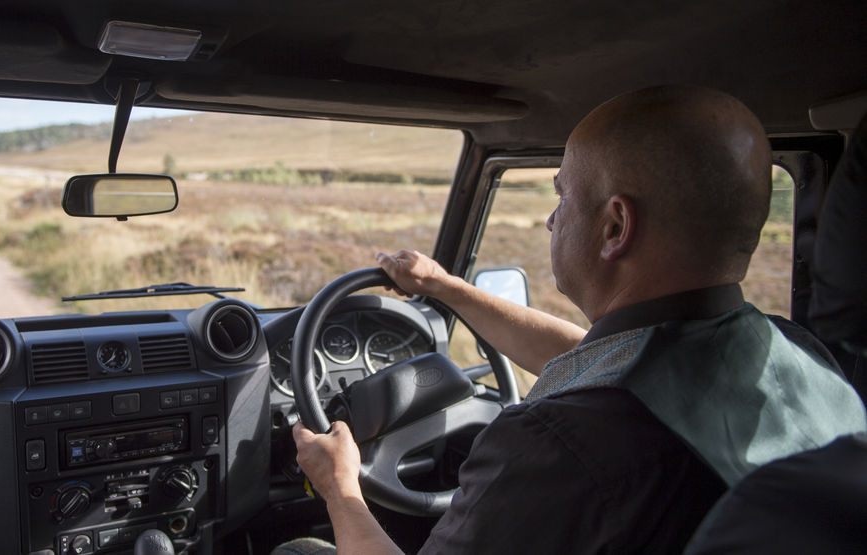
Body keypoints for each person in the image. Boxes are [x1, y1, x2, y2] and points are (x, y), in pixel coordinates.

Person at [289, 85, 867, 554]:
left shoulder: (557, 446)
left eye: (563, 198)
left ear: (615, 227)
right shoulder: (794, 353)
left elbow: (601, 400)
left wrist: (341, 487)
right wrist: (448, 288)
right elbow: (606, 364)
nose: (550, 219)